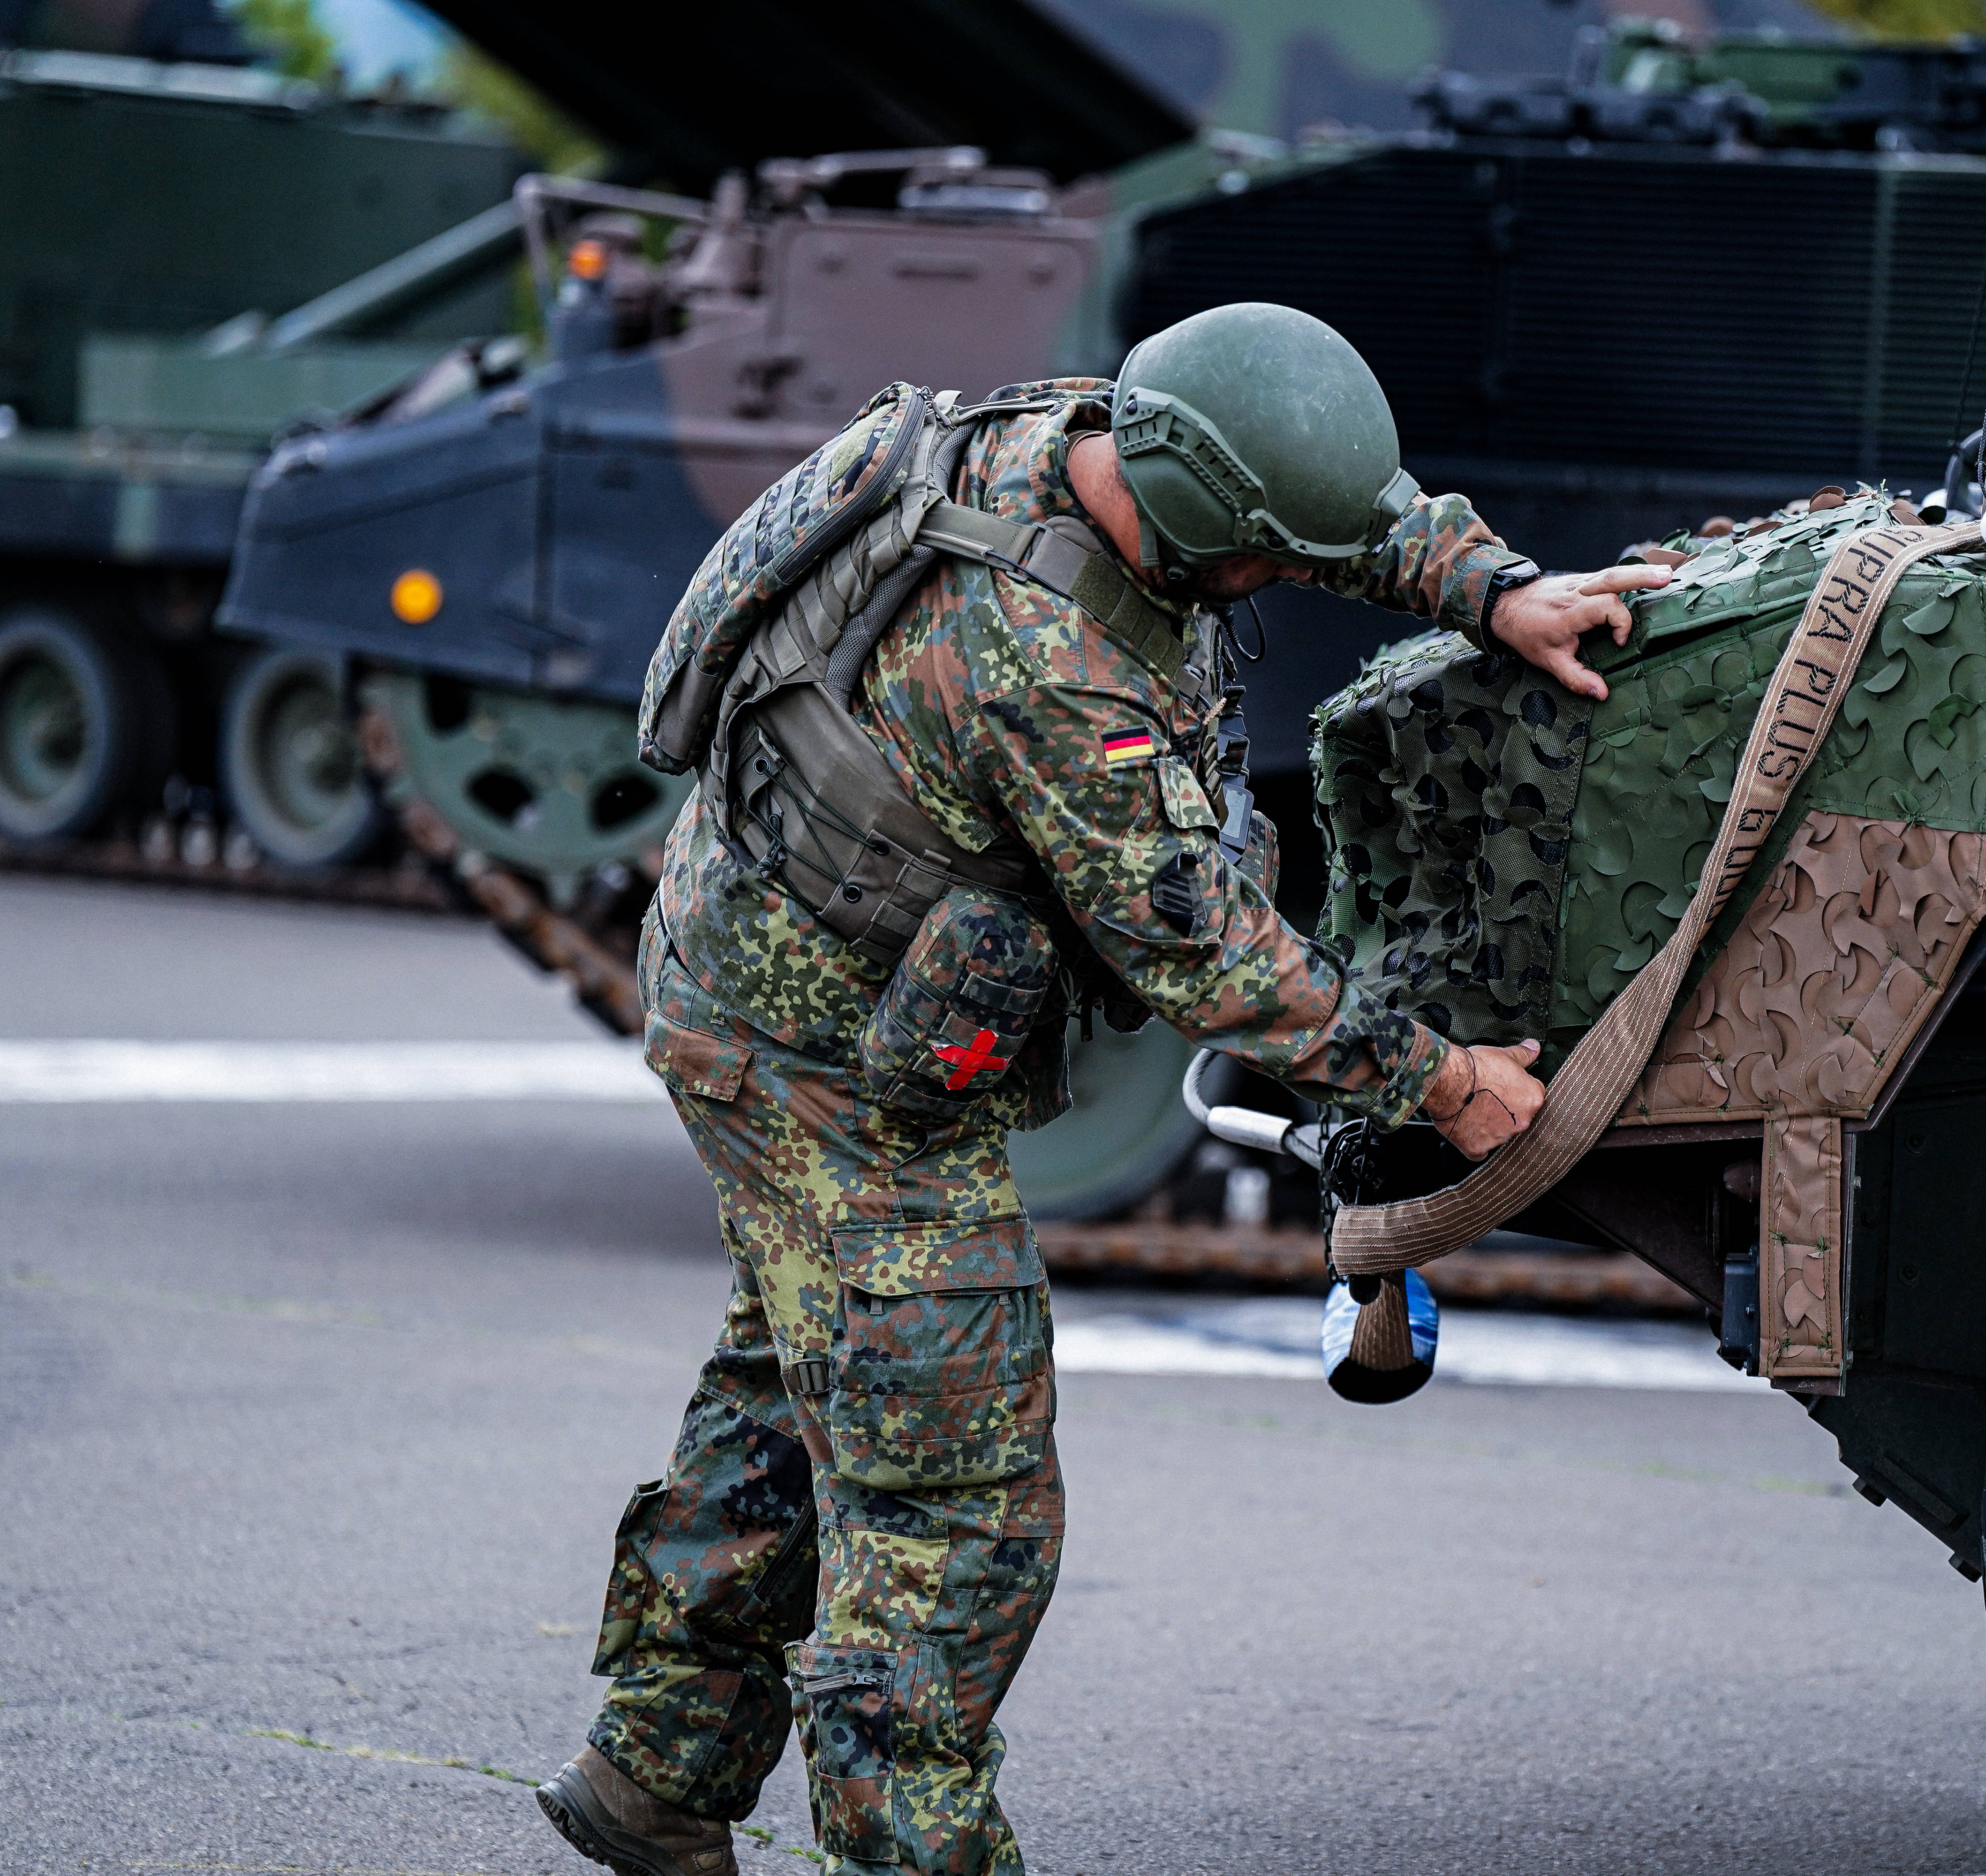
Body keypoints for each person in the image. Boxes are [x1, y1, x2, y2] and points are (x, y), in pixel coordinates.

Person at [534, 302, 1666, 1876]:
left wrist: (1500, 590)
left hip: (781, 982)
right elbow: (1215, 965)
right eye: (1257, 563)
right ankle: (906, 1843)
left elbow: (1317, 499)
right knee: (959, 1479)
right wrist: (1441, 1080)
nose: (1275, 583)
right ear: (1196, 520)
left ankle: (655, 1775)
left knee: (807, 1378)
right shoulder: (1046, 661)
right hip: (810, 1053)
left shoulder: (1106, 425)